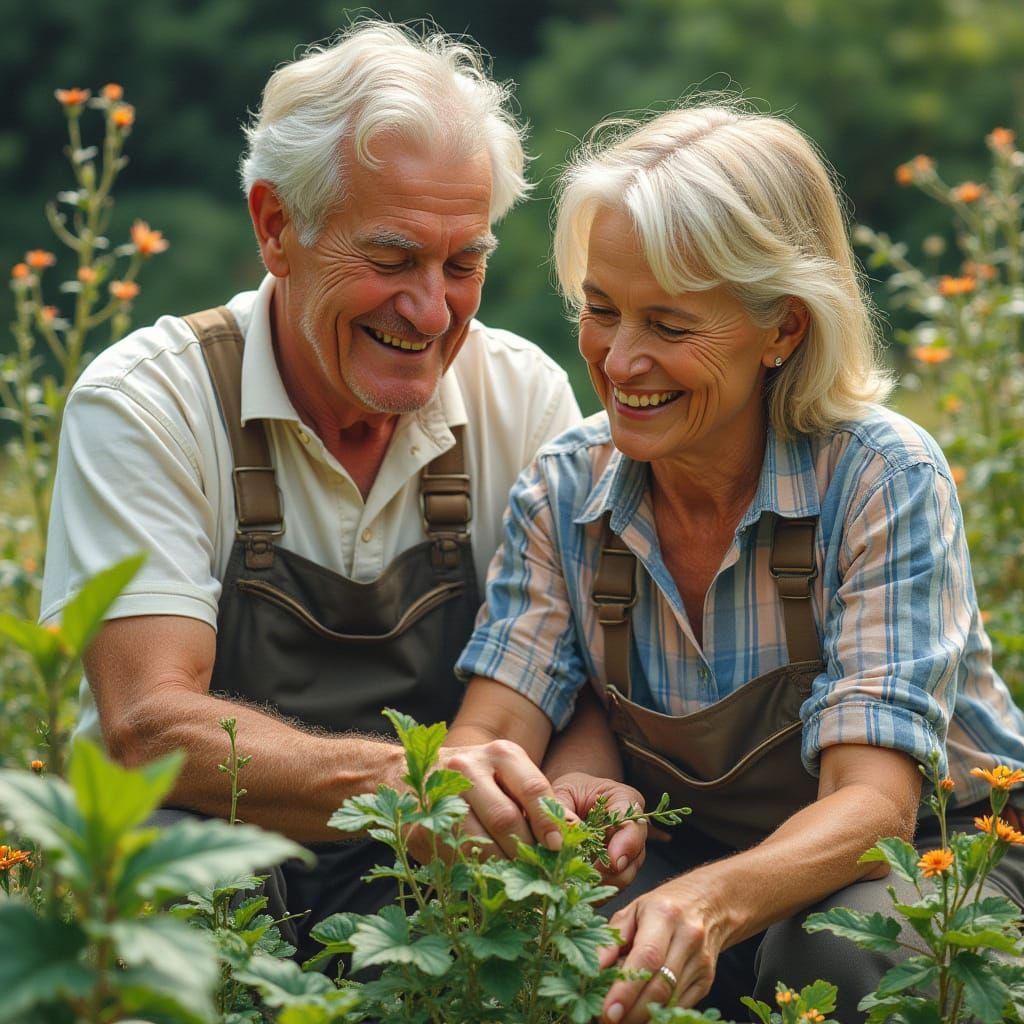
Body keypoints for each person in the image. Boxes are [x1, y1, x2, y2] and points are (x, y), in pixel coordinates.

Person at [39, 20, 647, 961]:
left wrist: (575, 791)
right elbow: (147, 723)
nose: (432, 308)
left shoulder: (522, 395)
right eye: (393, 257)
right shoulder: (147, 401)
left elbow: (577, 680)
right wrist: (413, 791)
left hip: (440, 883)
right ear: (277, 227)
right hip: (209, 872)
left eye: (465, 262)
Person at [447, 100, 1024, 1022]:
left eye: (671, 327)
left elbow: (874, 804)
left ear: (784, 330)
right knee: (556, 927)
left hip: (938, 854)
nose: (622, 359)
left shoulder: (879, 475)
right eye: (601, 310)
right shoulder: (564, 487)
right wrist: (556, 797)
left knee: (829, 949)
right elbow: (486, 740)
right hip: (704, 850)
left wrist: (707, 904)